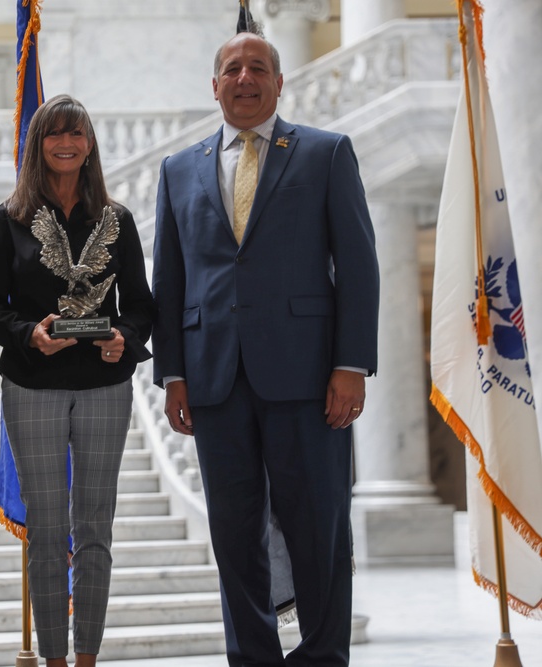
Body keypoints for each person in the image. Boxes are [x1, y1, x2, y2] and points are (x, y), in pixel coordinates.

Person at [151, 28, 380, 667]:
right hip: (213, 380)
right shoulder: (177, 170)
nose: (244, 79)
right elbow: (170, 281)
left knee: (319, 527)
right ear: (215, 85)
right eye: (232, 69)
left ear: (280, 82)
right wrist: (172, 373)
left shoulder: (326, 154)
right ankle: (252, 658)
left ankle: (323, 655)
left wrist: (351, 364)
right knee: (233, 533)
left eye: (257, 68)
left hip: (309, 378)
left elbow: (358, 265)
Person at [0, 94, 155, 667]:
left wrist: (124, 336)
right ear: (38, 144)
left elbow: (142, 305)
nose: (66, 143)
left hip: (104, 386)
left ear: (90, 144)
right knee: (49, 532)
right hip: (33, 387)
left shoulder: (117, 220)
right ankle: (54, 658)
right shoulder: (8, 220)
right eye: (54, 134)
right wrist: (30, 334)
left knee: (95, 530)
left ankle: (86, 659)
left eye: (76, 134)